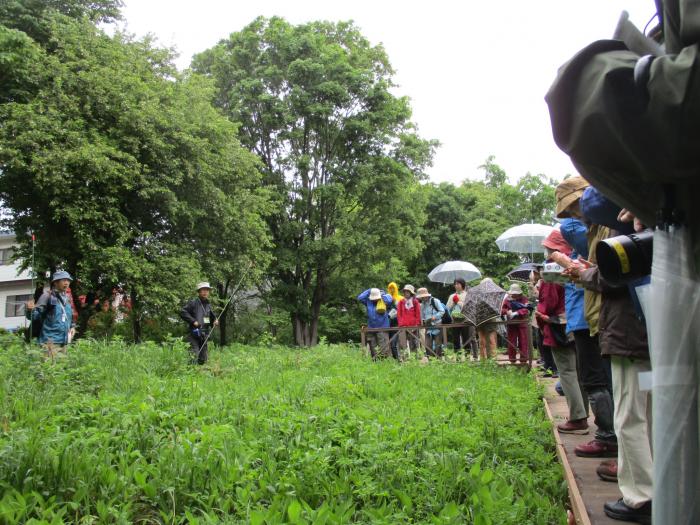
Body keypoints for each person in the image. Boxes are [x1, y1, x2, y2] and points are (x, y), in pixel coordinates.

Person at [563, 189, 653, 523]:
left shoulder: (626, 225)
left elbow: (614, 277)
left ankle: (640, 497)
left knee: (630, 415)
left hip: (630, 334)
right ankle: (654, 488)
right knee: (649, 412)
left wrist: (583, 274)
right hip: (648, 332)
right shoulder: (650, 221)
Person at [558, 215, 617, 460]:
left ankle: (608, 437)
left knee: (595, 378)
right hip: (589, 319)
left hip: (590, 320)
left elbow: (607, 280)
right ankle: (609, 434)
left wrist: (571, 266)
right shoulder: (592, 250)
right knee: (598, 377)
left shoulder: (595, 241)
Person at [537, 229, 589, 435]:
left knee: (567, 373)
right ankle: (583, 414)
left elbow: (548, 303)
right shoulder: (578, 263)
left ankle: (577, 418)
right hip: (579, 324)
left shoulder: (554, 270)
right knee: (580, 373)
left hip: (558, 327)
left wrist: (541, 315)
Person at [25, 270, 75, 359]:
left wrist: (72, 327)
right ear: (55, 282)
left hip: (64, 341)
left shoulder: (67, 299)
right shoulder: (47, 296)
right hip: (50, 341)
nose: (66, 283)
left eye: (68, 280)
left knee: (61, 370)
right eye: (63, 280)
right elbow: (34, 317)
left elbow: (69, 317)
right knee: (49, 369)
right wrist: (30, 310)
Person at [180, 282, 219, 365]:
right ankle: (190, 374)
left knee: (203, 359)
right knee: (194, 356)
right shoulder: (193, 302)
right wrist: (193, 321)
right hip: (194, 333)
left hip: (204, 335)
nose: (205, 292)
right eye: (203, 290)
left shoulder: (208, 304)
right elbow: (183, 312)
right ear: (199, 291)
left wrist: (215, 321)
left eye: (207, 290)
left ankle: (201, 375)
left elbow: (212, 317)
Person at [357, 287, 393, 359]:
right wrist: (369, 290)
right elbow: (360, 298)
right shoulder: (368, 301)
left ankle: (386, 363)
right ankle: (376, 363)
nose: (374, 299)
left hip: (383, 327)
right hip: (371, 328)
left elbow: (390, 299)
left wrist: (381, 294)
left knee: (384, 347)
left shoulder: (383, 300)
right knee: (373, 348)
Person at [501, 283, 531, 364]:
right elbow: (502, 309)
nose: (514, 295)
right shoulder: (507, 299)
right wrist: (507, 312)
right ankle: (512, 360)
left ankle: (523, 361)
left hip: (522, 323)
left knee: (523, 341)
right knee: (511, 342)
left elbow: (527, 309)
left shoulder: (524, 299)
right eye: (513, 294)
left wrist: (517, 312)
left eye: (516, 294)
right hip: (511, 323)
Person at [446, 278, 475, 360]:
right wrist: (453, 302)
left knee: (466, 339)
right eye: (455, 284)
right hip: (455, 321)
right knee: (456, 340)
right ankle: (458, 358)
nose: (456, 285)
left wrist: (458, 302)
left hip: (465, 321)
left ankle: (467, 357)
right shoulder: (452, 296)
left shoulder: (467, 295)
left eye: (458, 284)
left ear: (463, 285)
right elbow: (447, 308)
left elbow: (469, 308)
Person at [416, 287, 445, 357]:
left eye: (423, 296)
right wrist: (423, 321)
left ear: (427, 295)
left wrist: (434, 317)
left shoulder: (435, 301)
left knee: (438, 345)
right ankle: (430, 361)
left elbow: (442, 311)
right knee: (427, 345)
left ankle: (439, 360)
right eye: (421, 297)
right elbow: (422, 316)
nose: (422, 298)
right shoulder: (422, 305)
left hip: (437, 324)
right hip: (428, 326)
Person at [476, 278, 499, 360]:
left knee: (491, 340)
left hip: (490, 320)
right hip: (480, 319)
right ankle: (483, 359)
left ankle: (492, 359)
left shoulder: (494, 294)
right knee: (482, 341)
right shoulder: (478, 294)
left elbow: (496, 308)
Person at [396, 284, 421, 356]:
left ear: (411, 293)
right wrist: (401, 324)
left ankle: (414, 359)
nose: (406, 293)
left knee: (413, 343)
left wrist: (416, 324)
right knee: (402, 343)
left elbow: (418, 314)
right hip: (403, 326)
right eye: (405, 292)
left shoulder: (415, 302)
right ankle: (403, 359)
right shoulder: (401, 302)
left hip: (413, 326)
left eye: (408, 292)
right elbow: (399, 314)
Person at [386, 282, 403, 360]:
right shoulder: (386, 299)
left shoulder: (400, 298)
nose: (392, 290)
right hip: (387, 325)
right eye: (390, 288)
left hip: (398, 324)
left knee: (395, 344)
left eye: (393, 288)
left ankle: (398, 360)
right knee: (388, 344)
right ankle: (392, 360)